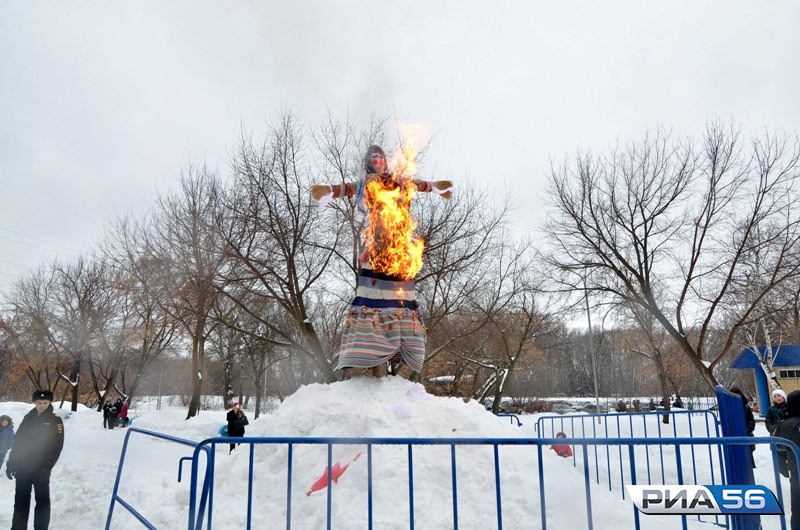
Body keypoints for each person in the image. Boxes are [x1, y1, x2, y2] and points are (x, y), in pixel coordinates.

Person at [311, 145, 453, 377]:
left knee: (403, 302)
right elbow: (346, 189)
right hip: (377, 249)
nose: (377, 160)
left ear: (385, 161)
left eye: (380, 157)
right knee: (372, 303)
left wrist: (436, 187)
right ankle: (369, 358)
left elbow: (419, 184)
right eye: (372, 158)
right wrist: (329, 190)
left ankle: (403, 354)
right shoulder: (367, 184)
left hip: (400, 251)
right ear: (369, 163)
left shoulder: (400, 180)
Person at [6, 389, 65, 530]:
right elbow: (18, 441)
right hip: (23, 467)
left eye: (45, 402)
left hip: (41, 469)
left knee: (42, 503)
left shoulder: (55, 421)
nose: (42, 405)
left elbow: (56, 447)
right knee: (20, 502)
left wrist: (47, 467)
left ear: (50, 402)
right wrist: (11, 462)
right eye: (39, 402)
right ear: (34, 402)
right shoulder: (28, 417)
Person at [773, 390, 800, 530]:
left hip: (796, 473)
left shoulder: (784, 425)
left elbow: (778, 450)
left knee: (797, 508)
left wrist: (784, 469)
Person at [729, 386, 756, 468]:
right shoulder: (729, 408)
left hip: (746, 436)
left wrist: (746, 430)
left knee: (748, 461)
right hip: (733, 437)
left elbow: (751, 421)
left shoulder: (746, 407)